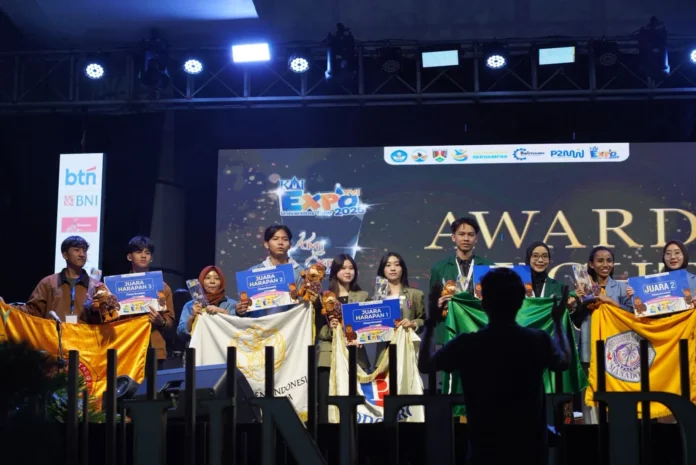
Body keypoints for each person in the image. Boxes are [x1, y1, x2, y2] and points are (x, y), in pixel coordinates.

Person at [418, 268, 572, 465]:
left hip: (485, 449)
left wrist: (431, 321)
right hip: (529, 449)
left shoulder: (467, 343)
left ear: (483, 302)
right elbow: (564, 361)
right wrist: (557, 322)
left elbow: (426, 364)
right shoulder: (537, 340)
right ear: (520, 301)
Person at [572, 246, 633, 424]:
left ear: (613, 264)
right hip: (589, 351)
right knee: (591, 402)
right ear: (591, 264)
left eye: (609, 260)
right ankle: (593, 437)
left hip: (617, 352)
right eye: (600, 260)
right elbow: (576, 322)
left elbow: (631, 317)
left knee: (616, 397)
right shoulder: (584, 288)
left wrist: (610, 301)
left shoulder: (622, 288)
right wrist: (581, 302)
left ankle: (617, 435)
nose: (605, 265)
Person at [316, 254, 370, 423]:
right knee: (328, 404)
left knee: (357, 405)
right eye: (343, 268)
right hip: (329, 357)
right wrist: (331, 329)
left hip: (356, 357)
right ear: (335, 272)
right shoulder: (323, 298)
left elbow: (370, 325)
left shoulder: (363, 296)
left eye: (351, 268)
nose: (348, 271)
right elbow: (318, 331)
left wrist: (362, 336)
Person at [429, 217, 494, 341]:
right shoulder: (439, 268)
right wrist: (438, 306)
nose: (466, 238)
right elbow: (432, 308)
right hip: (450, 331)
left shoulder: (488, 267)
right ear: (453, 237)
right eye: (461, 234)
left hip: (480, 329)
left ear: (476, 239)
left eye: (470, 235)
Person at [15, 236, 95, 322]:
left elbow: (103, 318)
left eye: (84, 251)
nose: (82, 254)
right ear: (65, 255)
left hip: (83, 331)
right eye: (77, 250)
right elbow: (32, 311)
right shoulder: (48, 283)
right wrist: (7, 308)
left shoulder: (95, 285)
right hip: (54, 330)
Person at [125, 236, 175, 371]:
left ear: (151, 258)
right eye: (138, 252)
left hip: (154, 350)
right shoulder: (118, 286)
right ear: (129, 257)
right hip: (127, 348)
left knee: (153, 385)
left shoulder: (162, 287)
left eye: (147, 253)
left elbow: (170, 321)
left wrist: (161, 321)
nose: (143, 256)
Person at [235, 224, 304, 317]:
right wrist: (240, 310)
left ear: (290, 245)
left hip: (291, 323)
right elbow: (246, 310)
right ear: (266, 244)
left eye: (285, 239)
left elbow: (304, 305)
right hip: (261, 324)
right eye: (275, 239)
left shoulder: (300, 272)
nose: (280, 243)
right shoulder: (253, 272)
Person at [374, 252, 424, 366]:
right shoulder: (376, 297)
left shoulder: (415, 294)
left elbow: (423, 321)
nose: (393, 268)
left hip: (406, 350)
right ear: (383, 270)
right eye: (388, 265)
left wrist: (412, 323)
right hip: (383, 353)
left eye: (397, 265)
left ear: (402, 269)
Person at [177, 266, 237, 340]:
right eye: (208, 278)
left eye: (217, 278)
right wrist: (192, 317)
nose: (212, 281)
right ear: (202, 281)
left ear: (221, 282)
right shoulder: (190, 306)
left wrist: (222, 312)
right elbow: (180, 334)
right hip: (198, 346)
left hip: (224, 346)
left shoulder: (231, 304)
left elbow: (239, 330)